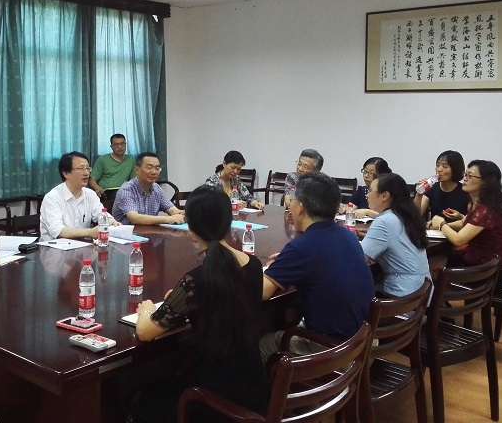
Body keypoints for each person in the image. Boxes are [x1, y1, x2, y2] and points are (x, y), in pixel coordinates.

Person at [132, 186, 268, 423]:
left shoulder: (197, 279)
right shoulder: (254, 265)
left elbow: (145, 331)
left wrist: (146, 310)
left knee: (140, 396)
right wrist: (183, 299)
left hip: (212, 400)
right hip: (254, 388)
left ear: (192, 231)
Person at [260, 172, 374, 361]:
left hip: (335, 350)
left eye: (292, 201)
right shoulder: (347, 235)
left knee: (261, 345)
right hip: (363, 341)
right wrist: (290, 261)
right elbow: (326, 262)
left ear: (301, 208)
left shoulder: (302, 247)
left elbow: (261, 291)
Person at [428, 160, 502, 266]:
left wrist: (441, 224)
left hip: (486, 265)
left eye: (470, 176)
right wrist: (438, 226)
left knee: (433, 261)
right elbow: (465, 223)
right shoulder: (477, 203)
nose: (465, 179)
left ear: (486, 182)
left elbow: (459, 240)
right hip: (480, 259)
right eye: (465, 175)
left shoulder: (485, 210)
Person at [360, 173, 430, 297]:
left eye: (370, 191)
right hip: (421, 291)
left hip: (401, 296)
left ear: (384, 196)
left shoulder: (384, 221)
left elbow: (359, 258)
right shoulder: (406, 215)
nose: (367, 195)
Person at [40, 151, 118, 241]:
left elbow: (101, 215)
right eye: (81, 169)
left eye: (88, 168)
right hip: (54, 247)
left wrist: (111, 221)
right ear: (66, 173)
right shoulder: (52, 198)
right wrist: (90, 232)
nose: (86, 173)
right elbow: (57, 230)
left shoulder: (90, 194)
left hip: (82, 246)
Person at [112, 152, 184, 225]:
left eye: (157, 168)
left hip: (150, 231)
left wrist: (186, 213)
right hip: (127, 231)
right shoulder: (127, 189)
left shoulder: (157, 189)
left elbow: (174, 211)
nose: (154, 172)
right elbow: (135, 218)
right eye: (149, 168)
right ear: (137, 170)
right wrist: (168, 219)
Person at [414, 150, 470, 225]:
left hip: (457, 231)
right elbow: (415, 216)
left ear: (455, 169)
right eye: (437, 165)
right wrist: (419, 194)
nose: (439, 169)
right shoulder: (432, 188)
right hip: (434, 231)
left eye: (445, 166)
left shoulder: (465, 191)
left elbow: (471, 222)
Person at [88, 133, 135, 200]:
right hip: (107, 191)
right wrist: (97, 188)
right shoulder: (102, 160)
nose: (120, 147)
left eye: (122, 144)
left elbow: (133, 180)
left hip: (125, 191)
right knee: (120, 195)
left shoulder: (131, 160)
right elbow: (92, 179)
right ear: (111, 146)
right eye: (116, 145)